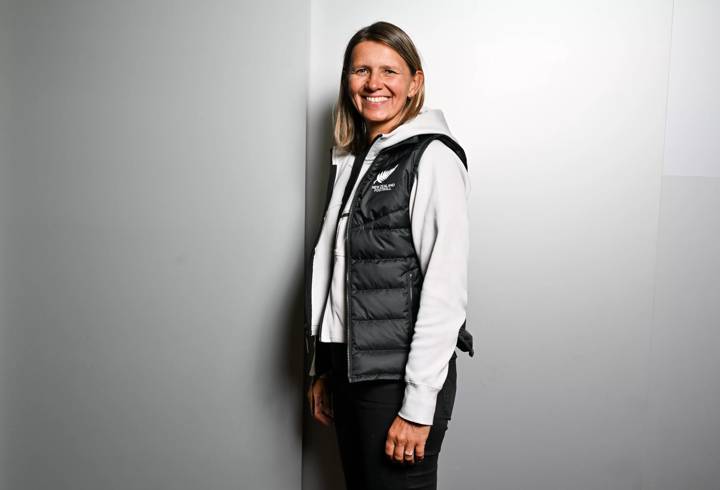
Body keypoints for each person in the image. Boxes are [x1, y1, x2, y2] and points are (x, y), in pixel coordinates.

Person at [304, 20, 473, 490]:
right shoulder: (354, 160)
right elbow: (335, 274)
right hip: (348, 371)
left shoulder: (432, 157)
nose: (373, 83)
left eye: (389, 71)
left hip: (398, 379)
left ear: (415, 83)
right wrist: (323, 367)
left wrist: (418, 407)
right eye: (360, 70)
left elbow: (444, 290)